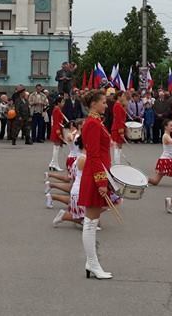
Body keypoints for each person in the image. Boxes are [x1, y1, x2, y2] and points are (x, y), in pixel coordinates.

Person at [78, 89, 115, 279]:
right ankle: (92, 263)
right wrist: (101, 181)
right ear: (93, 104)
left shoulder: (96, 121)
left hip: (99, 174)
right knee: (91, 222)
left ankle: (91, 263)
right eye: (103, 102)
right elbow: (93, 155)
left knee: (93, 220)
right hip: (95, 176)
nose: (106, 105)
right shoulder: (92, 123)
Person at [147, 119, 172, 186]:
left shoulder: (168, 135)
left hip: (167, 160)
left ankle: (143, 179)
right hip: (166, 160)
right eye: (170, 125)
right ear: (165, 127)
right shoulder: (165, 136)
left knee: (155, 181)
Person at [48, 96, 67, 171]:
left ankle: (53, 163)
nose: (63, 103)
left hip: (58, 128)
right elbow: (56, 122)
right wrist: (58, 132)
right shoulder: (56, 110)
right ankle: (55, 164)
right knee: (56, 148)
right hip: (57, 129)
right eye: (62, 102)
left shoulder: (58, 109)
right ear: (58, 102)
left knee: (57, 148)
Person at [110, 91, 127, 164]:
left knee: (119, 146)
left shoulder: (119, 105)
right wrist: (121, 131)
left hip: (118, 127)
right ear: (119, 97)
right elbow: (119, 119)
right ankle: (117, 163)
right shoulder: (117, 105)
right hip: (117, 128)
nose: (124, 97)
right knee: (117, 146)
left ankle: (118, 162)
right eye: (122, 96)